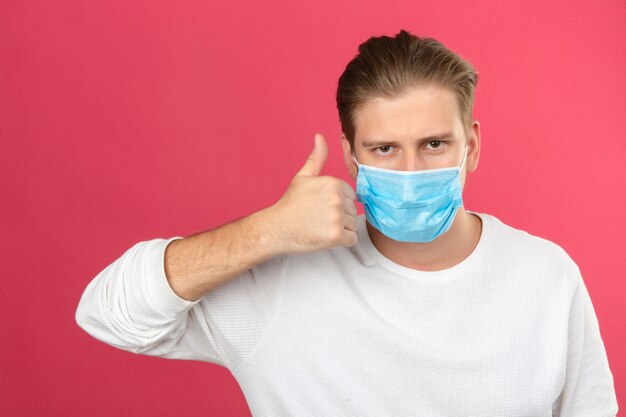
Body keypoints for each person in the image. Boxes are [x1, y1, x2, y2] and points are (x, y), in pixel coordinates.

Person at [75, 29, 619, 416]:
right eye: (384, 148)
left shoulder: (547, 276)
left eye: (434, 144)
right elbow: (108, 314)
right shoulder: (285, 279)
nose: (410, 171)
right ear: (351, 155)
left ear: (471, 145)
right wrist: (268, 231)